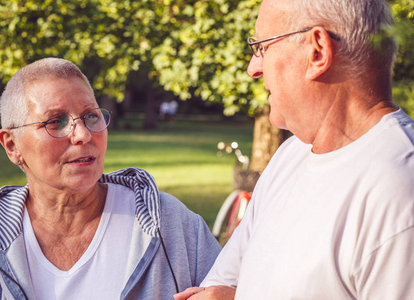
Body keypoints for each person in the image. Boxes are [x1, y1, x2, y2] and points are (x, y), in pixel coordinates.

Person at [174, 0, 414, 299]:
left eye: (262, 46)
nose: (253, 68)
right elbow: (227, 285)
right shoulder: (291, 157)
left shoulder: (399, 193)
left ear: (317, 51)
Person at [0, 57, 221, 300]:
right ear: (12, 146)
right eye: (56, 121)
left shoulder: (171, 224)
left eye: (91, 116)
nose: (83, 135)